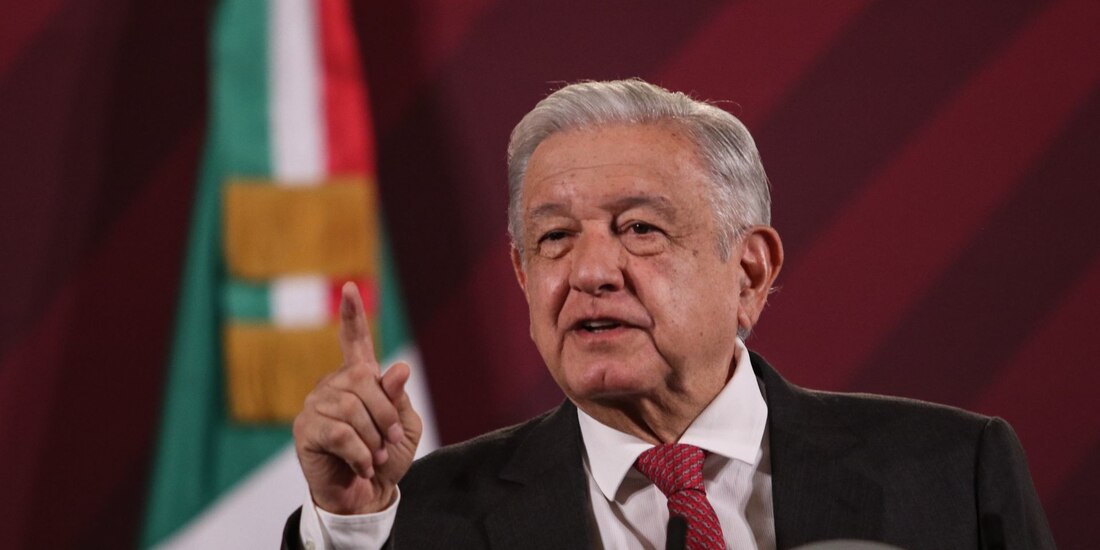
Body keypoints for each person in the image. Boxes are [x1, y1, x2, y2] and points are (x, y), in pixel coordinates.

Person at [283, 79, 1054, 549]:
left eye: (639, 229)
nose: (589, 272)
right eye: (554, 239)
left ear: (749, 271)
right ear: (523, 275)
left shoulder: (953, 474)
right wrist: (350, 525)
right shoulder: (415, 518)